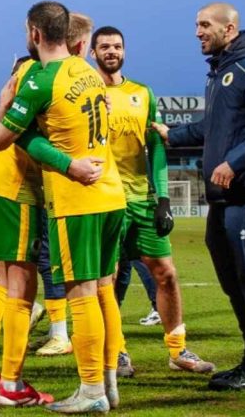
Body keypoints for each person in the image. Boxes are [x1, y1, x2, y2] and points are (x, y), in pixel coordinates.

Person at [0, 1, 127, 413]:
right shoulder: (88, 72)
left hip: (77, 198)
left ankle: (90, 392)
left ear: (33, 33)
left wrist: (6, 104)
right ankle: (109, 381)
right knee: (104, 291)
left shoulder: (40, 80)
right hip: (112, 193)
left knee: (81, 294)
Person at [153, 2, 245, 391]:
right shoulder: (222, 72)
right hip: (224, 199)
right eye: (196, 25)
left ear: (229, 29)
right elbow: (213, 128)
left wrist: (234, 162)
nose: (197, 32)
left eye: (204, 25)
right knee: (233, 283)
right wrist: (171, 134)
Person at [91, 25, 215, 379]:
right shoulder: (87, 93)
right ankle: (116, 352)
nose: (111, 51)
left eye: (117, 46)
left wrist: (163, 198)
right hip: (104, 199)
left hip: (143, 199)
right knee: (108, 280)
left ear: (124, 51)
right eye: (104, 47)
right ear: (92, 52)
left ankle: (178, 350)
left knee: (167, 274)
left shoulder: (142, 93)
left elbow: (156, 146)